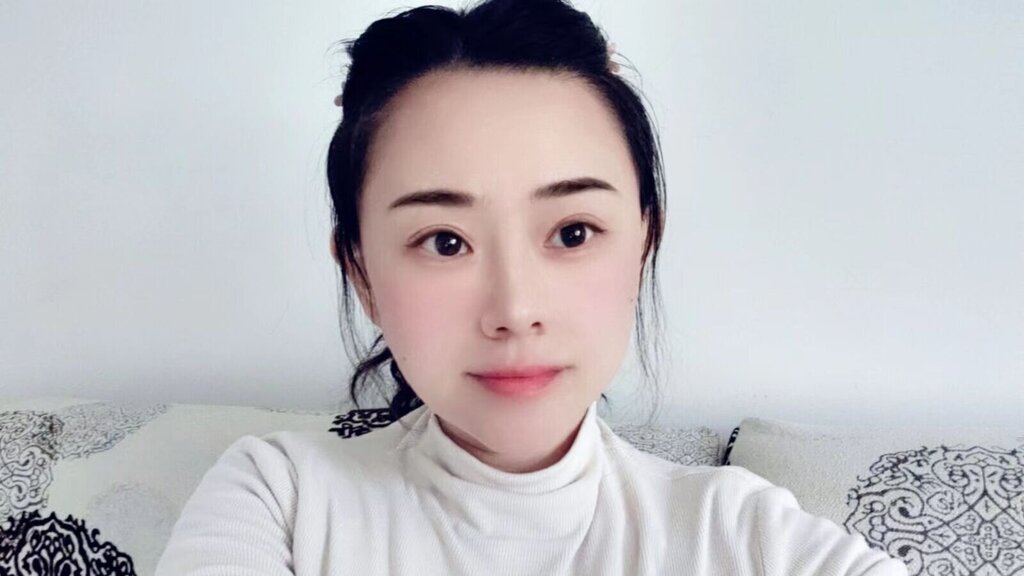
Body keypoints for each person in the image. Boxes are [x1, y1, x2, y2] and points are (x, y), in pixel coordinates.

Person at [155, 0, 910, 574]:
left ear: (644, 243)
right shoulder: (280, 499)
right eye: (445, 241)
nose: (515, 310)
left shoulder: (742, 535)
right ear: (362, 275)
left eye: (572, 233)